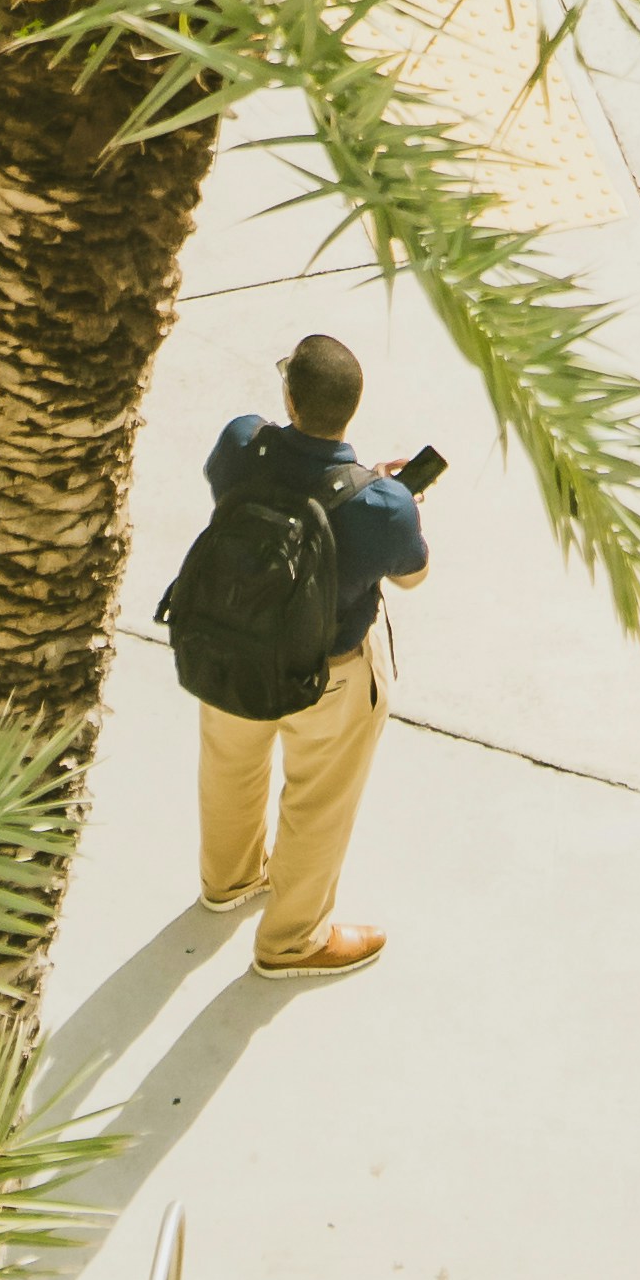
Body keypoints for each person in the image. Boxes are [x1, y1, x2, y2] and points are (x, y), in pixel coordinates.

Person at [171, 326, 435, 980]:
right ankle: (292, 941)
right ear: (351, 410)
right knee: (317, 802)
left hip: (230, 648)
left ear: (289, 400)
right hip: (329, 677)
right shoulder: (384, 505)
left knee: (229, 770)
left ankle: (228, 882)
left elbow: (241, 487)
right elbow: (411, 575)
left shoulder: (240, 444)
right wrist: (393, 497)